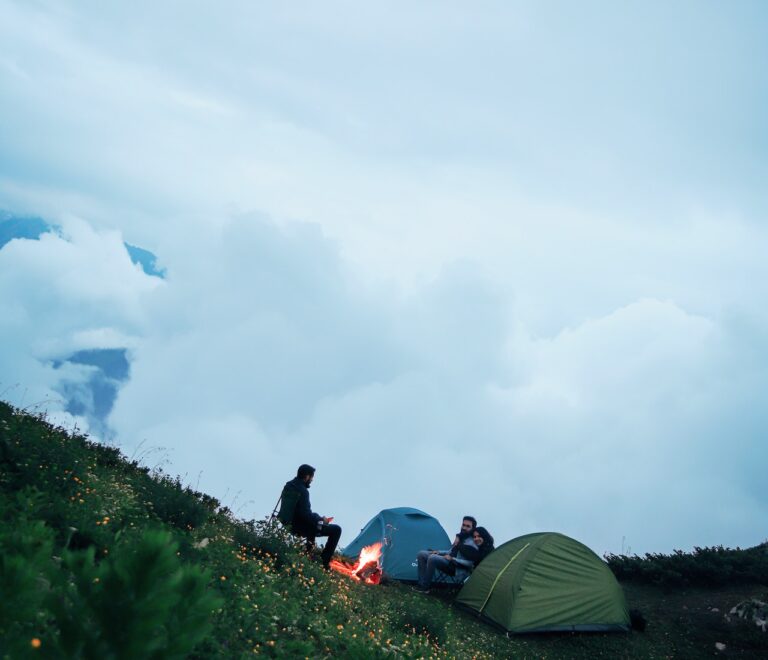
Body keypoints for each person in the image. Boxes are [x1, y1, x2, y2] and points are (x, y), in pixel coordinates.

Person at [277, 464, 342, 570]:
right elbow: (306, 515)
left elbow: (301, 512)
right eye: (311, 477)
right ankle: (324, 562)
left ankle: (308, 551)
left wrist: (316, 517)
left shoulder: (288, 485)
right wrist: (321, 519)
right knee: (336, 530)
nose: (312, 480)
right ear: (307, 477)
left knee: (313, 522)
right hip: (299, 526)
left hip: (286, 520)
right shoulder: (303, 491)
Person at [413, 516, 477, 592]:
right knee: (422, 554)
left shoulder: (473, 543)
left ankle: (425, 587)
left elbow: (470, 563)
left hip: (456, 568)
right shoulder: (461, 538)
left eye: (468, 526)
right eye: (463, 525)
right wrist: (438, 552)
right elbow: (451, 551)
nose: (464, 527)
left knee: (432, 558)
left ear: (473, 528)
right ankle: (421, 584)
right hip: (447, 562)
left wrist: (453, 559)